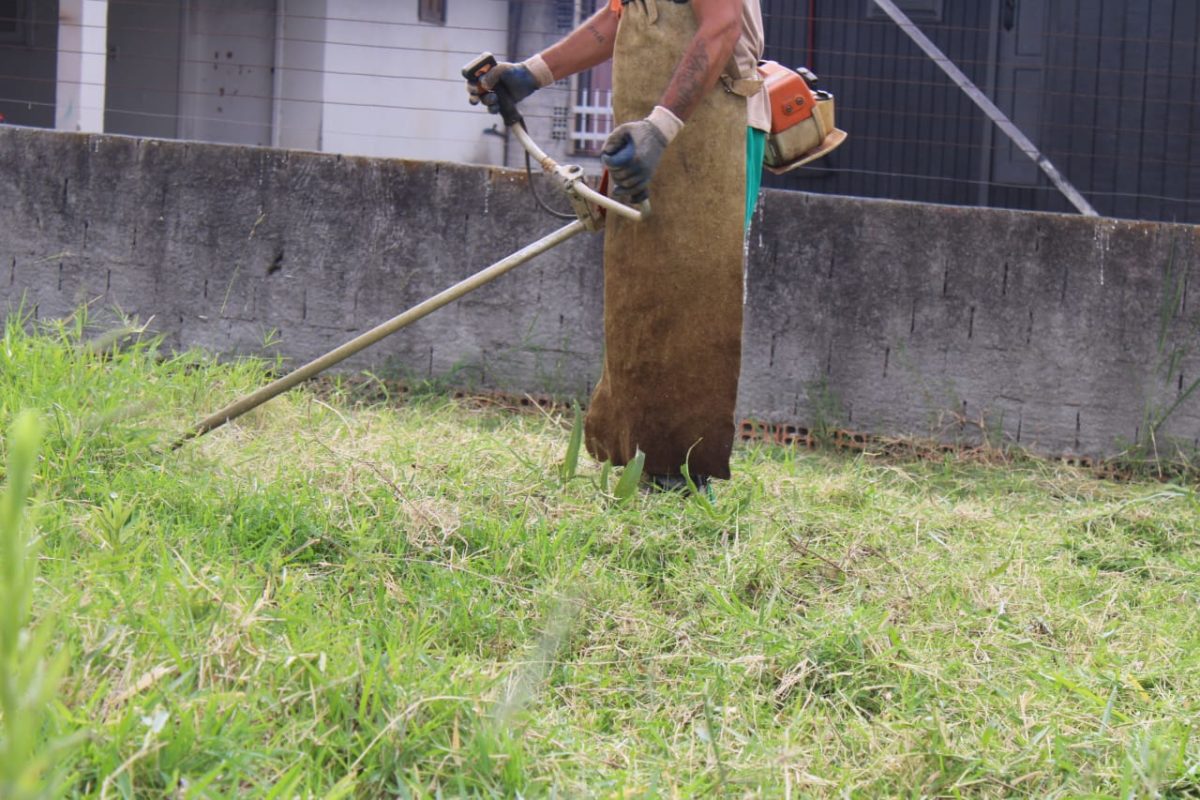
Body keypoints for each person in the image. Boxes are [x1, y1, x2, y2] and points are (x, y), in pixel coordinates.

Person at [468, 0, 770, 493]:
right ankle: (649, 461)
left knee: (693, 294)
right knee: (644, 293)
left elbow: (721, 28)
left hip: (711, 127)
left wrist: (661, 129)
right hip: (654, 131)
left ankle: (684, 475)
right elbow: (623, 17)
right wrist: (530, 74)